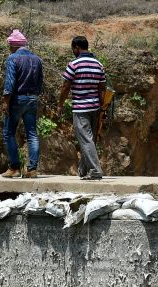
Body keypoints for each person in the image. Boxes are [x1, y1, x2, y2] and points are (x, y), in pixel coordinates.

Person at [59, 36, 106, 181]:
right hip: (95, 107)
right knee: (90, 139)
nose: (73, 51)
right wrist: (101, 107)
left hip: (80, 108)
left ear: (77, 48)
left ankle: (95, 170)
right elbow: (102, 88)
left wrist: (60, 103)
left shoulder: (74, 64)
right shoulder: (98, 64)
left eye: (73, 49)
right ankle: (83, 170)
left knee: (86, 140)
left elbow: (66, 86)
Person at [1, 29, 44, 179]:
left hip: (17, 99)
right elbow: (40, 83)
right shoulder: (37, 59)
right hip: (32, 99)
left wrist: (6, 101)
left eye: (9, 45)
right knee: (32, 134)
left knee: (8, 133)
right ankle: (32, 169)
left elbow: (10, 82)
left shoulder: (13, 58)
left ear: (13, 45)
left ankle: (14, 167)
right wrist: (33, 95)